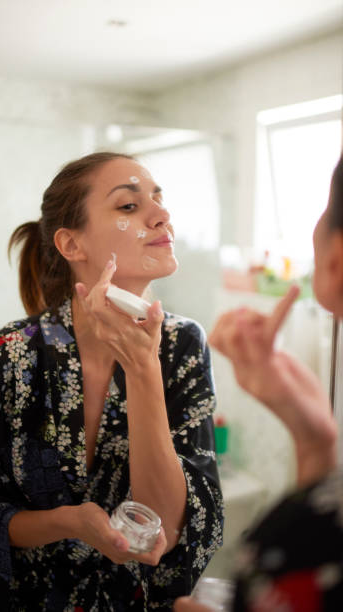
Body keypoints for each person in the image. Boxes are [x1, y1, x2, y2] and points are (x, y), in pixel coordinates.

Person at [0, 152, 224, 611]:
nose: (162, 214)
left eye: (158, 198)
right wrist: (70, 522)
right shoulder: (5, 357)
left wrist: (143, 369)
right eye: (129, 206)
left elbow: (174, 533)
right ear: (72, 245)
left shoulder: (181, 346)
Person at [174, 155, 343, 612]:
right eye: (128, 205)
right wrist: (315, 442)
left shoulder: (300, 541)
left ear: (335, 263)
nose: (162, 216)